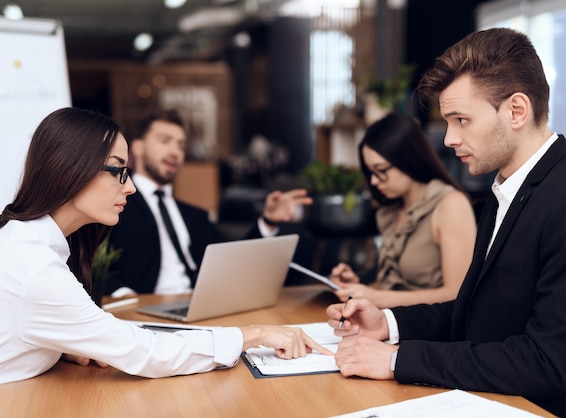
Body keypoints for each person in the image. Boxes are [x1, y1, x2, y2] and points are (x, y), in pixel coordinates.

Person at [326, 28, 566, 417]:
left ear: (516, 110)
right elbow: (477, 313)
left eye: (462, 119)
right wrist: (387, 323)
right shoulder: (503, 189)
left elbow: (545, 362)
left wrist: (396, 360)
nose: (449, 138)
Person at [0, 107, 331, 385]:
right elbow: (144, 354)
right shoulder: (36, 267)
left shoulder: (27, 244)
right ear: (68, 170)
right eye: (117, 170)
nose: (128, 187)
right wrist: (255, 335)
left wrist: (65, 341)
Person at [105, 109, 311, 296]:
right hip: (140, 313)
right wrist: (123, 294)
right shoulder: (115, 207)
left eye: (181, 145)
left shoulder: (193, 216)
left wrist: (267, 220)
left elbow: (232, 260)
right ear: (138, 148)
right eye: (165, 140)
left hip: (198, 307)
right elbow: (87, 265)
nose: (175, 152)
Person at [330, 112, 476, 308]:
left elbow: (457, 293)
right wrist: (356, 287)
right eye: (371, 172)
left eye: (381, 170)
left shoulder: (450, 205)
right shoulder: (391, 210)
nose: (373, 181)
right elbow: (391, 287)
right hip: (387, 323)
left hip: (429, 331)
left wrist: (378, 297)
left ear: (407, 159)